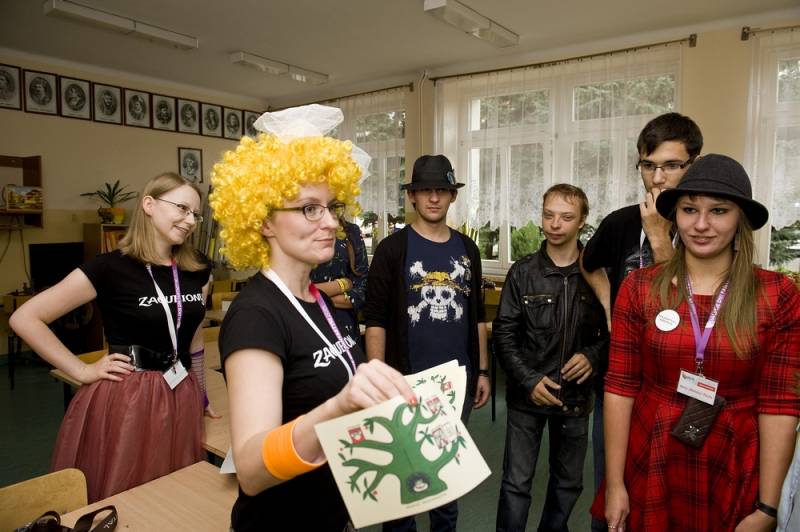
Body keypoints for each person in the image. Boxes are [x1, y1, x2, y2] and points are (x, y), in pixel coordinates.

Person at [210, 104, 416, 532]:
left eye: (331, 206)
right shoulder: (256, 317)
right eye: (309, 208)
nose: (330, 223)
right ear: (264, 221)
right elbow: (250, 470)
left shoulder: (319, 301)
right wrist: (341, 405)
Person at [593, 154, 800, 531]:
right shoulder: (640, 289)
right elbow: (621, 388)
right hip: (653, 450)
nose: (701, 224)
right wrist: (615, 484)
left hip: (733, 458)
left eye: (718, 211)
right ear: (676, 216)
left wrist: (767, 508)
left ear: (740, 219)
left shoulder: (776, 295)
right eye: (689, 210)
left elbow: (779, 405)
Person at [10, 172, 217, 502]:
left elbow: (193, 338)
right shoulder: (109, 268)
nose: (190, 220)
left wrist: (202, 395)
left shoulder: (198, 268)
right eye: (182, 208)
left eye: (196, 213)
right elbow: (25, 318)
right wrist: (81, 370)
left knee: (176, 491)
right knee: (129, 490)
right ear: (149, 204)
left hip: (182, 390)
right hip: (130, 395)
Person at [580, 112, 703, 531]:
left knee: (671, 495)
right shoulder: (620, 222)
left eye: (671, 165)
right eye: (648, 165)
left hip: (680, 386)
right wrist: (612, 308)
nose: (657, 177)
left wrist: (657, 235)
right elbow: (588, 263)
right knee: (611, 487)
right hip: (622, 380)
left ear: (693, 164)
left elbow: (690, 309)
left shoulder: (704, 226)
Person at [363, 154, 491, 532]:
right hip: (404, 382)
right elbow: (375, 321)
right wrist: (378, 377)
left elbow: (477, 316)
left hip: (456, 384)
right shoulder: (392, 249)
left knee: (445, 476)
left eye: (441, 190)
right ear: (412, 197)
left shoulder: (468, 249)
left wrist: (483, 371)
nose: (433, 198)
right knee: (402, 480)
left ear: (453, 196)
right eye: (424, 190)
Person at [495, 184, 608, 532]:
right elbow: (504, 334)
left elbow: (615, 330)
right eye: (548, 215)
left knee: (568, 484)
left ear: (583, 221)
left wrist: (593, 356)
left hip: (575, 398)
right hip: (527, 397)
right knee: (516, 484)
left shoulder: (599, 274)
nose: (555, 224)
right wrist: (528, 380)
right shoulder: (522, 271)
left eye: (566, 217)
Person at [310, 219, 368, 343]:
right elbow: (289, 291)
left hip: (346, 334)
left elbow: (363, 291)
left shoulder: (351, 231)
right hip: (306, 328)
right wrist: (343, 284)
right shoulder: (295, 231)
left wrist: (313, 296)